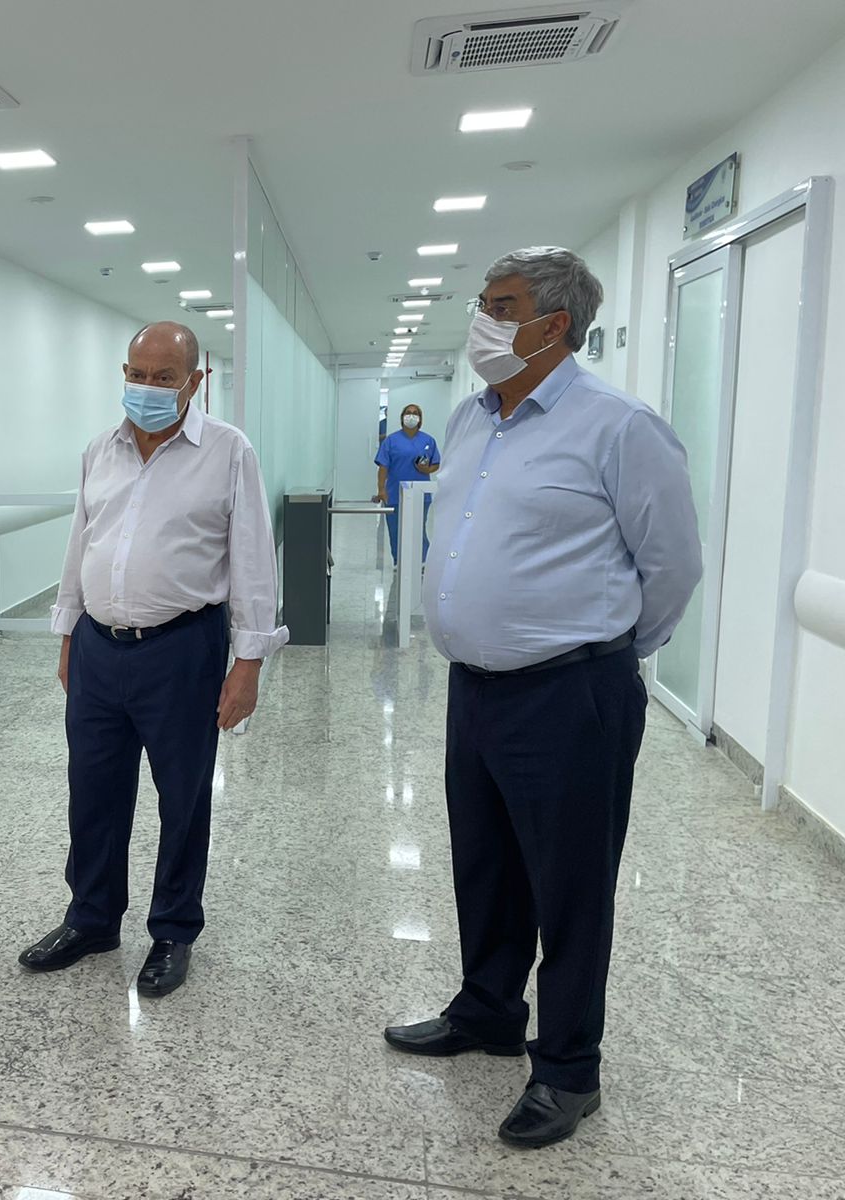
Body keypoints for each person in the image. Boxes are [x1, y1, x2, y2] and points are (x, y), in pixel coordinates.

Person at [382, 247, 701, 1148]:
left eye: (500, 305)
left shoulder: (620, 427)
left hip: (570, 694)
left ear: (554, 324)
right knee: (484, 865)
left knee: (570, 886)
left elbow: (673, 566)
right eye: (483, 302)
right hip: (474, 690)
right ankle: (487, 1009)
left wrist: (600, 654)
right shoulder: (470, 417)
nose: (480, 319)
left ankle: (567, 1068)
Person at [18, 321, 288, 997]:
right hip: (98, 648)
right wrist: (68, 635)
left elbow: (253, 559)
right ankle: (92, 918)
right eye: (137, 375)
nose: (147, 388)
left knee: (183, 797)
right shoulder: (99, 451)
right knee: (93, 790)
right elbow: (82, 543)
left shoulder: (227, 451)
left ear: (195, 381)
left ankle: (173, 929)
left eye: (164, 377)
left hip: (183, 649)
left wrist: (249, 662)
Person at [372, 403, 441, 563]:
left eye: (415, 413)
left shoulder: (428, 440)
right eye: (408, 413)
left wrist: (426, 469)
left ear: (420, 419)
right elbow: (383, 467)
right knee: (395, 530)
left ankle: (422, 562)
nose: (411, 415)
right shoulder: (391, 440)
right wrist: (381, 490)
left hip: (420, 493)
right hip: (394, 493)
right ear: (402, 417)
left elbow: (436, 464)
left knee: (418, 529)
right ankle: (399, 561)